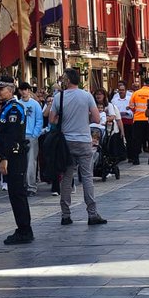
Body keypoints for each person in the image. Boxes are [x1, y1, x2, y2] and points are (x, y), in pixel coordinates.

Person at [48, 69, 106, 227]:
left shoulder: (59, 97)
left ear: (66, 81)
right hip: (83, 140)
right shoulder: (86, 96)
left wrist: (64, 117)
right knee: (87, 177)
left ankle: (65, 214)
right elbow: (97, 118)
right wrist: (83, 117)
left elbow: (52, 119)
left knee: (67, 178)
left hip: (66, 142)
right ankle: (92, 214)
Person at [0, 78, 33, 244]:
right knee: (15, 193)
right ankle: (23, 227)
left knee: (17, 193)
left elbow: (12, 136)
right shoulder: (7, 107)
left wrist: (5, 158)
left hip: (14, 156)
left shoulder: (14, 109)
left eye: (1, 89)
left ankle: (24, 230)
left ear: (10, 90)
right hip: (11, 155)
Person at [18, 82, 43, 194]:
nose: (23, 92)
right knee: (21, 162)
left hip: (31, 136)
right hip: (20, 136)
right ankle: (23, 184)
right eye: (21, 89)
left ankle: (31, 186)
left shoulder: (35, 104)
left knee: (31, 163)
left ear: (28, 90)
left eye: (25, 89)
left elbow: (39, 120)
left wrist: (35, 133)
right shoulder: (18, 104)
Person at [128, 80, 149, 164]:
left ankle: (135, 159)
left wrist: (136, 111)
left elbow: (131, 106)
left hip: (137, 120)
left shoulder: (136, 93)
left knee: (136, 140)